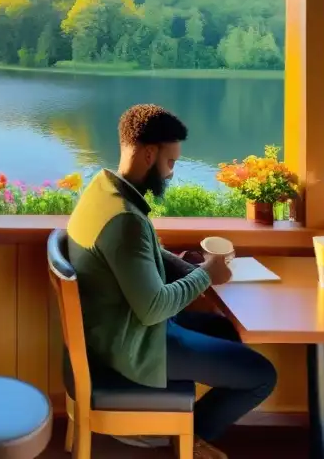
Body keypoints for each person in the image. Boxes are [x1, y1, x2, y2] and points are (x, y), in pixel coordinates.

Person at [67, 104, 277, 459]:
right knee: (262, 375)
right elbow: (152, 309)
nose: (171, 173)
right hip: (135, 345)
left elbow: (133, 257)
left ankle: (177, 432)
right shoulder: (126, 222)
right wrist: (207, 274)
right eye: (171, 163)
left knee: (226, 331)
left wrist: (185, 267)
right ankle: (186, 440)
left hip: (114, 331)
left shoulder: (103, 192)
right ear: (150, 154)